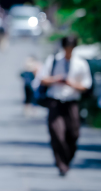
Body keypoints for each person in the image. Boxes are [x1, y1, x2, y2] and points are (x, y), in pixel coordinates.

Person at [37, 36, 92, 176]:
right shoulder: (54, 60)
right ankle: (61, 163)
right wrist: (56, 79)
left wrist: (70, 83)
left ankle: (67, 158)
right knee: (56, 132)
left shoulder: (81, 63)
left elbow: (86, 85)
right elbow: (42, 79)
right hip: (55, 100)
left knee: (73, 133)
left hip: (72, 101)